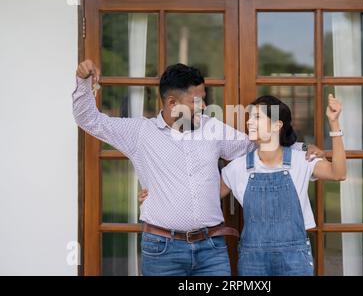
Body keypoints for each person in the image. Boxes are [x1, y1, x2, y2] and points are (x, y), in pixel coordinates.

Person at [73, 60, 324, 276]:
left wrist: (302, 150)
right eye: (196, 100)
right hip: (162, 249)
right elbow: (89, 120)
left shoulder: (211, 128)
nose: (203, 106)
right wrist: (83, 81)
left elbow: (256, 145)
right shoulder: (140, 133)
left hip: (211, 250)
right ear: (172, 103)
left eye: (203, 99)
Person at [219, 95, 346, 276]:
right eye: (250, 118)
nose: (249, 123)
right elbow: (208, 201)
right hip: (253, 260)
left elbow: (338, 173)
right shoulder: (237, 168)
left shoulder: (301, 160)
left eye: (257, 117)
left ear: (277, 125)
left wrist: (334, 124)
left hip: (294, 259)